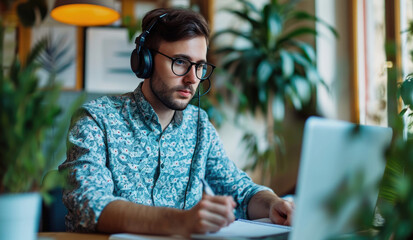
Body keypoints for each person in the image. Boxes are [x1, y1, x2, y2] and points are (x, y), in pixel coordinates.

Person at [59, 7, 294, 237]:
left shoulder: (199, 125)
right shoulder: (96, 119)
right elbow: (90, 205)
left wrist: (273, 204)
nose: (193, 79)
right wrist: (181, 221)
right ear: (146, 61)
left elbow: (240, 192)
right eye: (180, 62)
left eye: (200, 66)